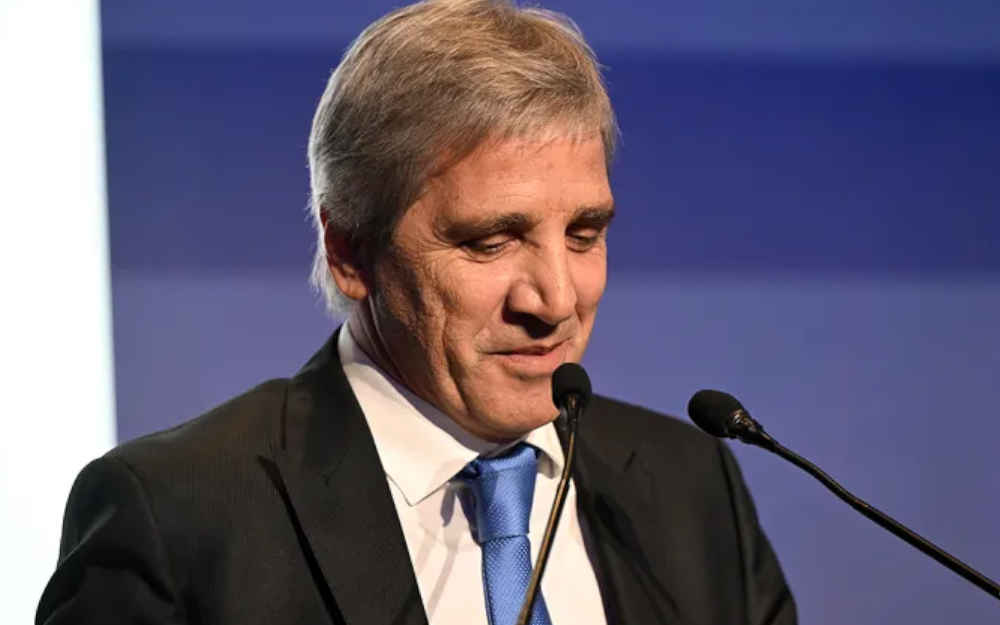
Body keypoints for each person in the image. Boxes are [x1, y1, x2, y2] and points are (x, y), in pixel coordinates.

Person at [37, 1, 796, 623]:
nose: (556, 300)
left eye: (584, 234)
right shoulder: (177, 517)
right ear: (350, 251)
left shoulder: (690, 487)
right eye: (491, 241)